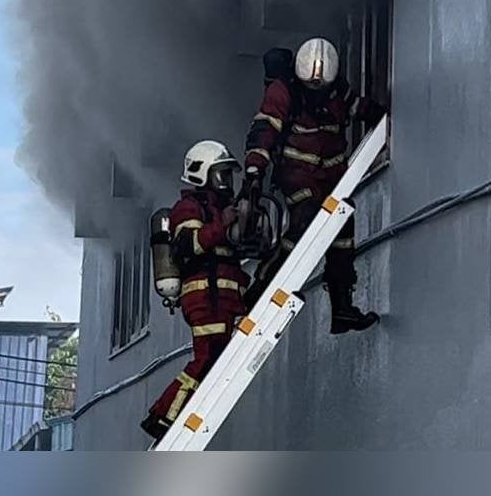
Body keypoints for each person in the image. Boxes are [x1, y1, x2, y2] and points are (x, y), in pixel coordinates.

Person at [242, 37, 385, 334]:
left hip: (333, 176)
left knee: (342, 234)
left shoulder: (337, 90)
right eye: (312, 85)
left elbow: (359, 106)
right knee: (304, 219)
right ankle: (264, 285)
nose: (317, 91)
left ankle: (342, 308)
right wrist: (255, 171)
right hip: (296, 173)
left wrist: (387, 116)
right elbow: (264, 129)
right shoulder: (284, 91)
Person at [140, 140, 248, 442]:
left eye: (227, 175)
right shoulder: (188, 208)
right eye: (220, 174)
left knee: (217, 358)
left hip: (223, 298)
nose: (226, 181)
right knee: (207, 357)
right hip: (205, 297)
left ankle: (170, 414)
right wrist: (222, 225)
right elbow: (187, 247)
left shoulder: (216, 207)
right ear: (201, 173)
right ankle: (164, 417)